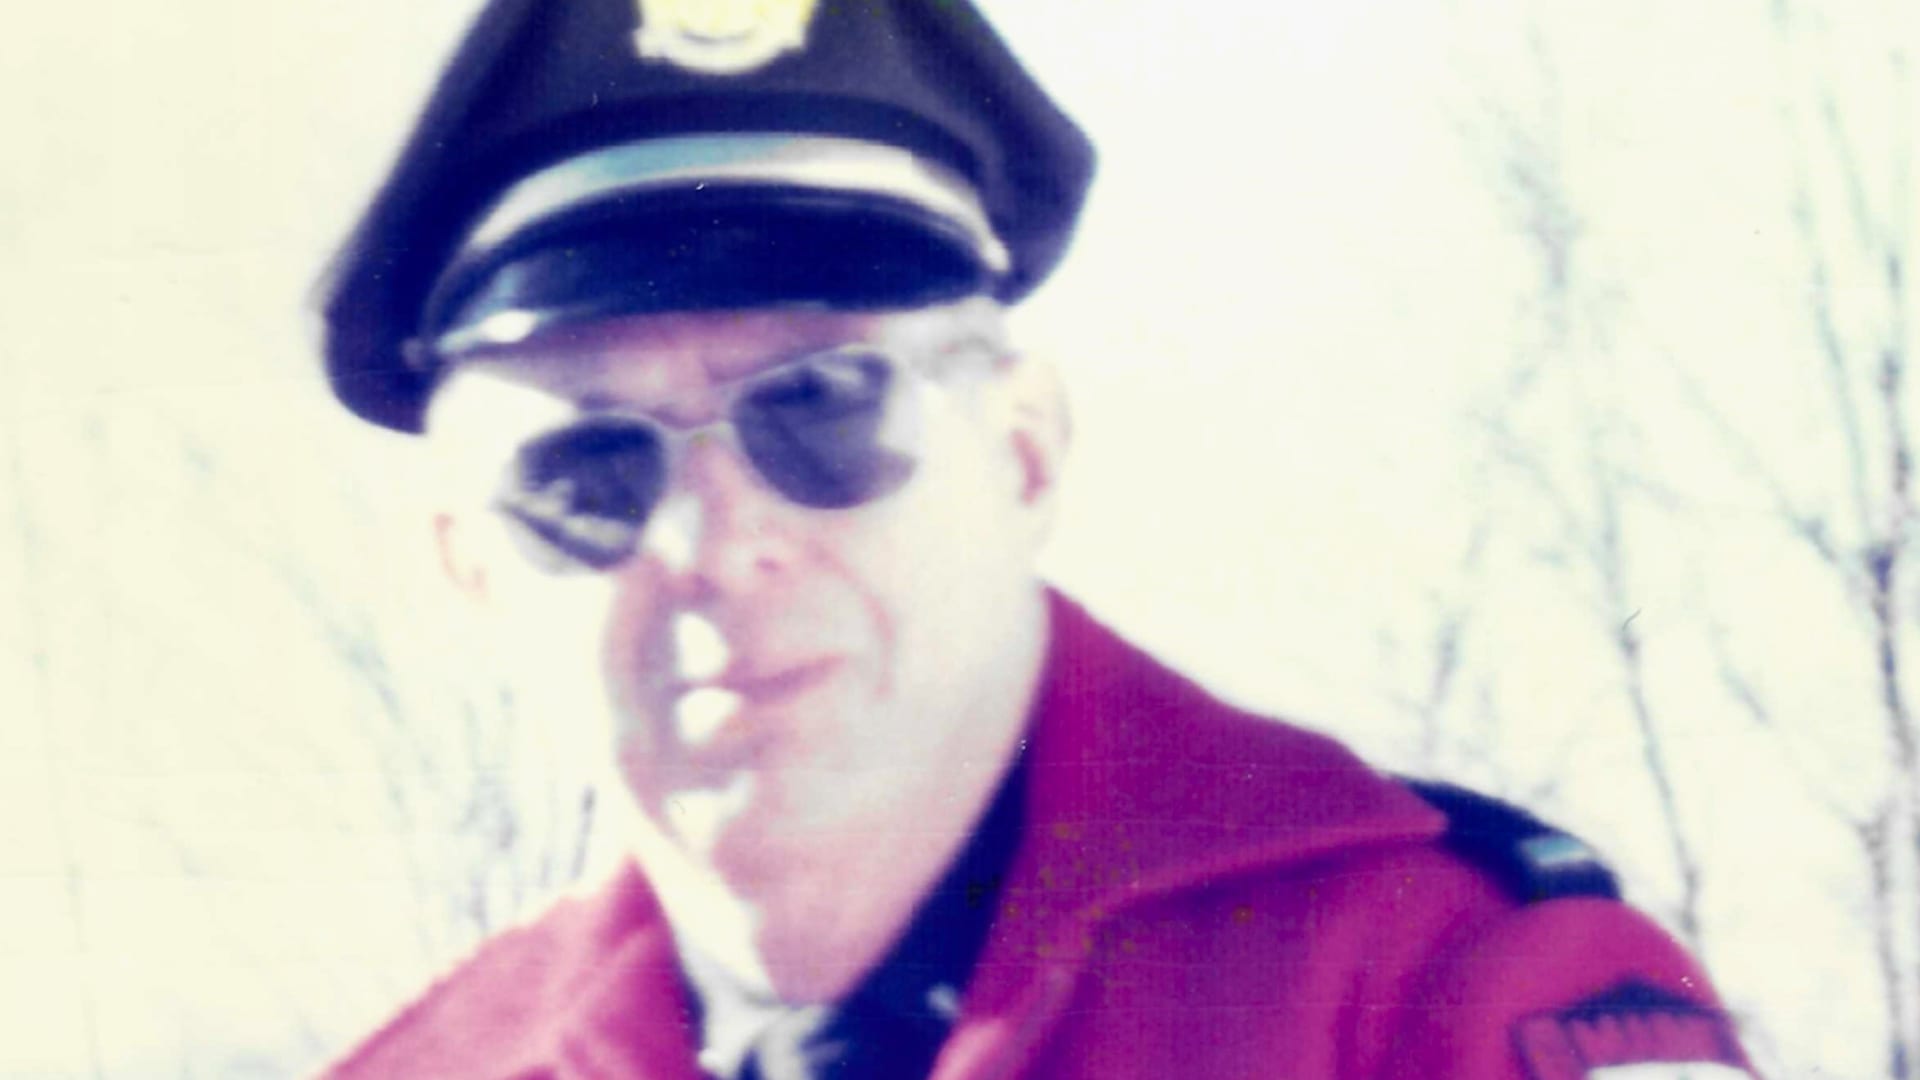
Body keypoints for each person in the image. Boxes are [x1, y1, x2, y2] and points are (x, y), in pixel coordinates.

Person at [314, 1, 1758, 1076]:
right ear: (470, 567)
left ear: (1021, 453)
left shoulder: (1439, 988)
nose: (716, 540)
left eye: (819, 408)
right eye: (588, 472)